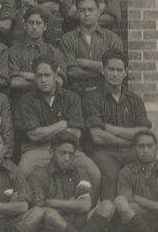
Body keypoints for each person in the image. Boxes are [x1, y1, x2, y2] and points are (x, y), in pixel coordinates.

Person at [27, 132, 124, 232]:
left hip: (79, 224)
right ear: (51, 152)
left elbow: (85, 205)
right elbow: (41, 211)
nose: (67, 158)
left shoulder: (80, 173)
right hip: (54, 229)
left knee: (107, 206)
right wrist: (73, 204)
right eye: (62, 153)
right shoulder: (38, 176)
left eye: (71, 154)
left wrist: (54, 202)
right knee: (51, 217)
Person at [15, 56, 101, 189]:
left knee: (94, 173)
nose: (43, 80)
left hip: (69, 149)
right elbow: (34, 135)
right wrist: (62, 124)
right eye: (39, 76)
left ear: (55, 74)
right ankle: (29, 208)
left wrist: (45, 132)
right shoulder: (27, 100)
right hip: (37, 150)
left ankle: (87, 207)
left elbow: (75, 134)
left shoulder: (71, 97)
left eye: (47, 75)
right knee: (22, 172)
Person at [83, 50, 152, 201]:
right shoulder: (92, 99)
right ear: (103, 70)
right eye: (111, 69)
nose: (115, 74)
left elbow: (144, 134)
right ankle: (108, 218)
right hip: (103, 152)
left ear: (126, 72)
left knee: (145, 170)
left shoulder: (134, 100)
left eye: (119, 70)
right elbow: (98, 137)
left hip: (130, 151)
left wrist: (111, 129)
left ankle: (137, 217)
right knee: (110, 175)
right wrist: (130, 139)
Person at [58, 0, 124, 98]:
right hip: (77, 94)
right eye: (82, 10)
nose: (86, 14)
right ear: (77, 13)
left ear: (98, 12)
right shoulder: (67, 39)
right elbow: (71, 72)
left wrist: (86, 63)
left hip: (105, 94)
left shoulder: (113, 39)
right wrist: (104, 71)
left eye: (90, 10)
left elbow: (119, 69)